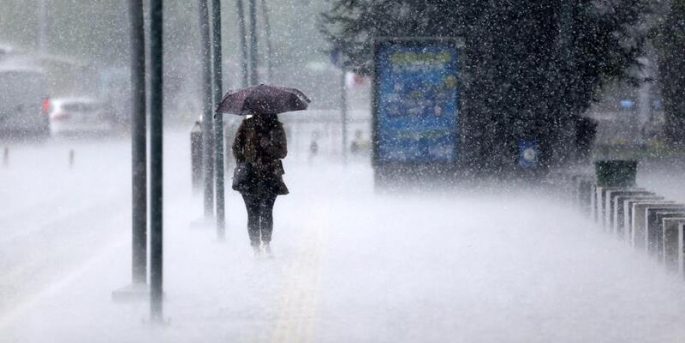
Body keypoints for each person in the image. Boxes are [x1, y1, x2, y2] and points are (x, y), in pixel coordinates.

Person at [232, 113, 288, 257]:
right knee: (252, 212)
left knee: (267, 211)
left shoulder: (276, 127)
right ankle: (256, 246)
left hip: (270, 175)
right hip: (249, 176)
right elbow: (236, 147)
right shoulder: (246, 125)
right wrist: (244, 162)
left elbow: (282, 152)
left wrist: (268, 145)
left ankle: (266, 243)